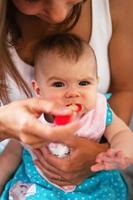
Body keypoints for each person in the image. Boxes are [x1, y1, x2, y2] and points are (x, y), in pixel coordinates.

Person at [0, 0, 133, 197]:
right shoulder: (33, 117)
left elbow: (122, 134)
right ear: (37, 89)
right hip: (41, 186)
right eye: (59, 85)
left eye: (84, 83)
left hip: (93, 185)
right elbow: (12, 153)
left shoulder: (98, 110)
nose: (73, 93)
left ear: (97, 82)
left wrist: (118, 153)